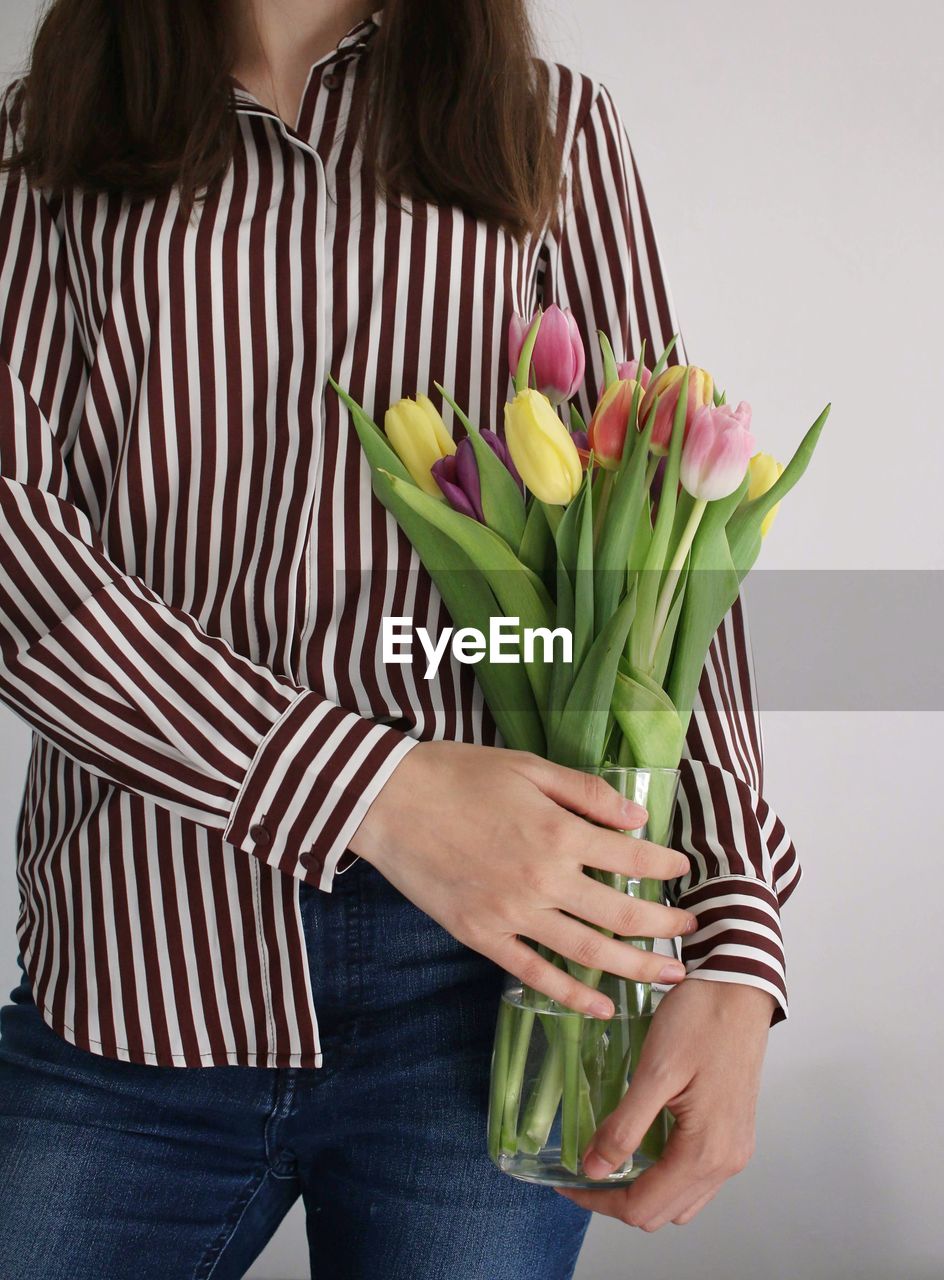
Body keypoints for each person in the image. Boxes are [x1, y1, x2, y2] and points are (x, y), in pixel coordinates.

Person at [0, 1, 800, 1276]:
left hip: (506, 990)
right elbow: (16, 554)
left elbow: (663, 555)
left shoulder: (550, 129)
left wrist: (735, 938)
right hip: (137, 958)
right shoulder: (48, 143)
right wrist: (372, 792)